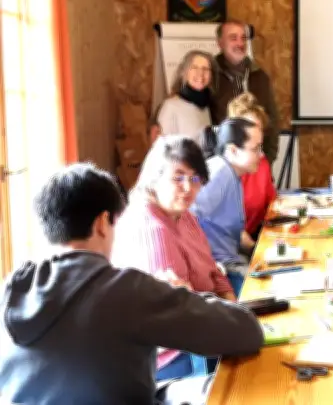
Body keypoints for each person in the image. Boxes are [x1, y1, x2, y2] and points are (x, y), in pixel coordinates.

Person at [0, 163, 263, 405]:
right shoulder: (125, 289)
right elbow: (246, 331)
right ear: (103, 223)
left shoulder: (7, 291)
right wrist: (177, 295)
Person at [112, 136, 238, 381]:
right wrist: (233, 322)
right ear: (155, 178)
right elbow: (181, 318)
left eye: (194, 179)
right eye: (177, 178)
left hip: (203, 324)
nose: (188, 188)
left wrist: (233, 306)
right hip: (170, 356)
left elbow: (212, 269)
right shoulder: (150, 226)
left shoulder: (183, 214)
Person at [192, 118, 263, 296]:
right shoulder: (218, 173)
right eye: (255, 149)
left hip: (232, 259)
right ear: (232, 150)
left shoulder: (232, 174)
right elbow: (188, 217)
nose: (261, 155)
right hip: (222, 269)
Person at [210, 20, 280, 164]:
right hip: (223, 164)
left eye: (243, 38)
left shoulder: (260, 77)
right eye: (233, 38)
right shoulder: (210, 76)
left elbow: (272, 120)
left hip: (256, 163)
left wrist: (268, 158)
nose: (240, 43)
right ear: (220, 43)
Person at [227, 92, 277, 249]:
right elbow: (229, 230)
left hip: (256, 237)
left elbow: (273, 206)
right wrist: (257, 250)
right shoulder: (223, 173)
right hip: (232, 248)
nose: (255, 134)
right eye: (248, 129)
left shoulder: (262, 163)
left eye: (258, 128)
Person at [156, 50, 215, 141]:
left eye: (205, 69)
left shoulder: (206, 106)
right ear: (184, 72)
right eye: (194, 68)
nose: (200, 73)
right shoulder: (171, 107)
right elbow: (166, 149)